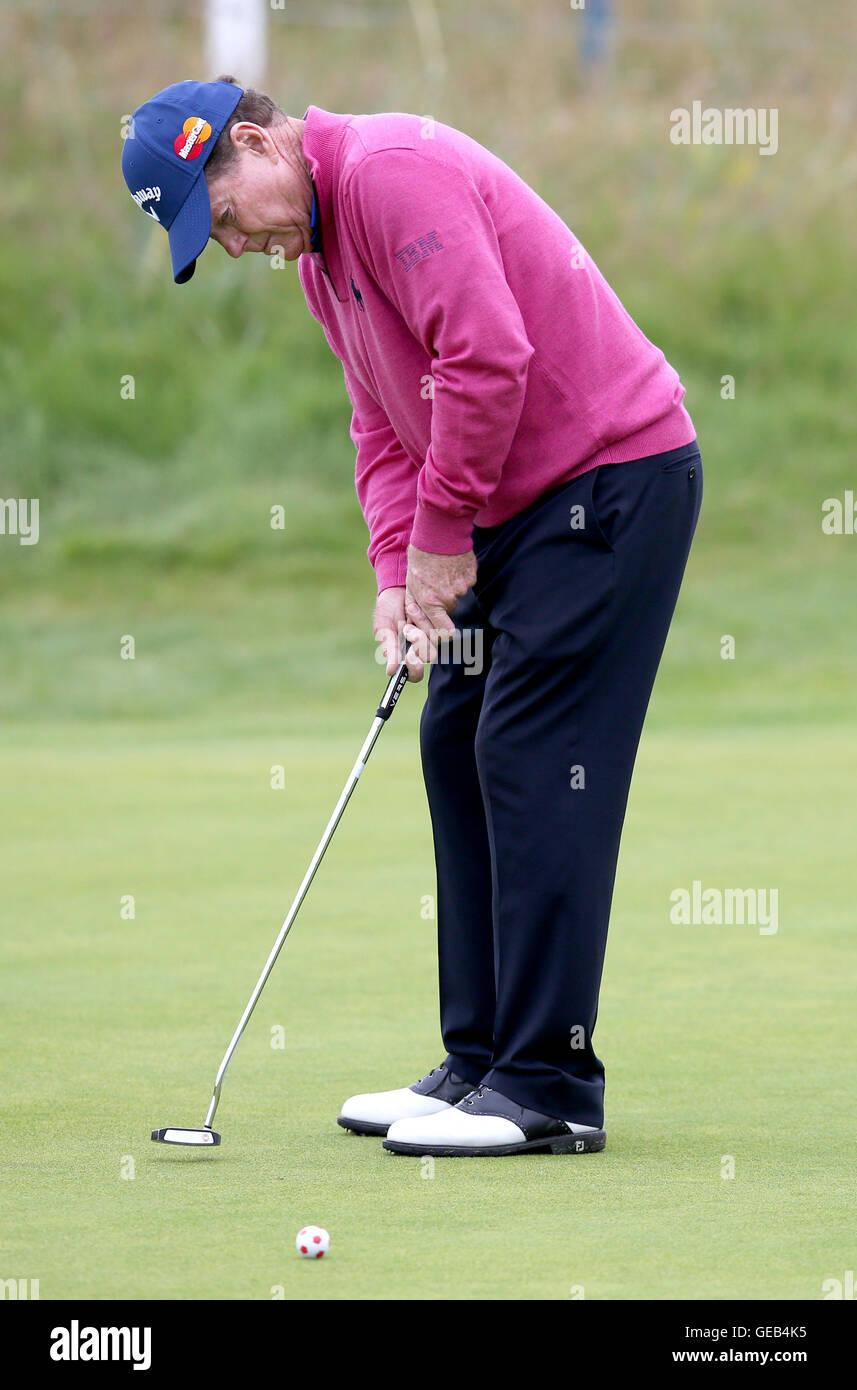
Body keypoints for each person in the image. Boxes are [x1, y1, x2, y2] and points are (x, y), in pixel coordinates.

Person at [122, 78, 702, 1158]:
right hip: (519, 504)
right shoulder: (321, 255)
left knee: (531, 751)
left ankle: (548, 1086)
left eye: (224, 214)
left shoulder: (387, 175)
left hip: (610, 481)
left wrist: (441, 537)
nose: (235, 244)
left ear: (252, 142)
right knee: (452, 739)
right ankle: (478, 1061)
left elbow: (486, 360)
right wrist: (397, 568)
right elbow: (384, 420)